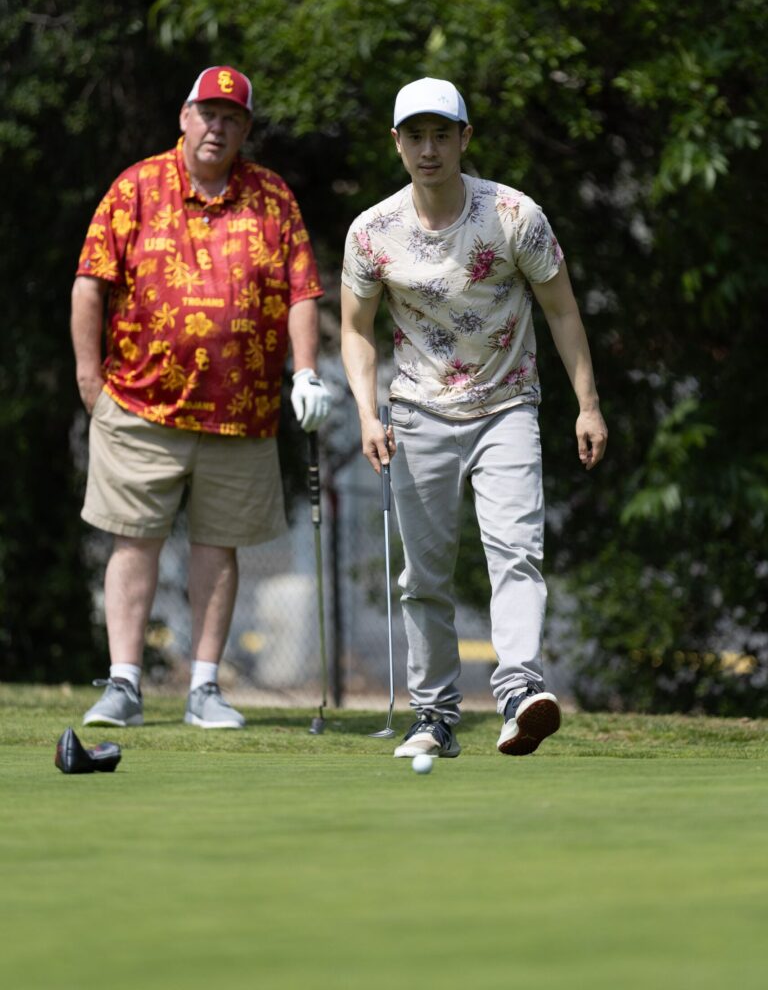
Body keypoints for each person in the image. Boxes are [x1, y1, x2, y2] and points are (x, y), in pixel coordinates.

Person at [341, 77, 607, 759]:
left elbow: (562, 311)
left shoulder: (514, 216)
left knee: (516, 553)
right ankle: (433, 716)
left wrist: (588, 405)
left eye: (442, 134)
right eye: (415, 136)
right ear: (396, 143)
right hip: (419, 414)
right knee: (423, 578)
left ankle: (519, 691)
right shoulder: (371, 232)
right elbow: (356, 328)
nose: (429, 149)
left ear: (465, 138)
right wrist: (368, 414)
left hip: (507, 407)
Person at [72, 65, 330, 729]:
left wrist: (305, 373)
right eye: (207, 113)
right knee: (134, 542)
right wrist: (88, 380)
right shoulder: (135, 187)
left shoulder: (271, 197)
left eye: (231, 117)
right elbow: (89, 283)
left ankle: (204, 690)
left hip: (239, 414)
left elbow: (302, 291)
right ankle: (124, 684)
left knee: (220, 549)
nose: (217, 126)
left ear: (244, 129)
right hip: (139, 403)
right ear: (185, 117)